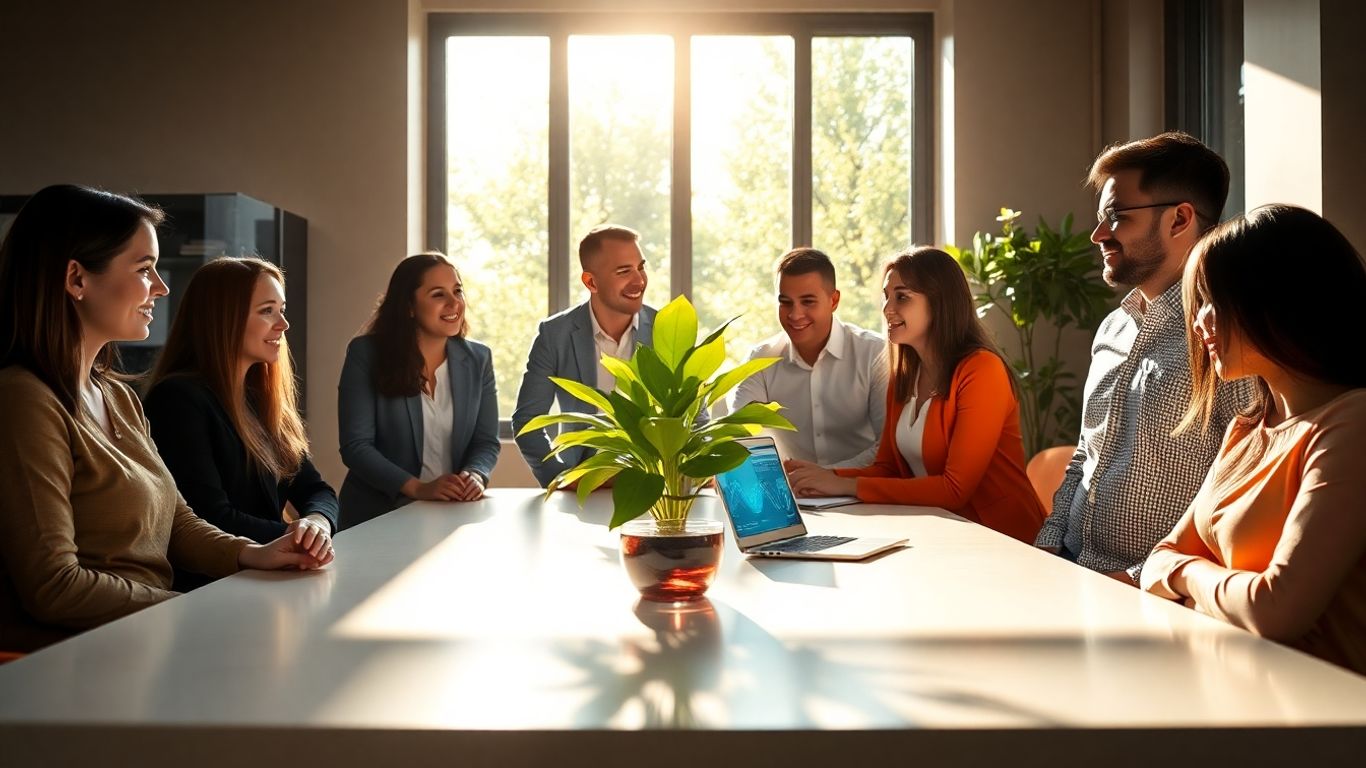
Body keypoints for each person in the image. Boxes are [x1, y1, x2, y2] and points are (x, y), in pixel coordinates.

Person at [0, 185, 331, 653]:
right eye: (144, 269)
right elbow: (55, 587)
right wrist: (193, 610)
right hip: (75, 657)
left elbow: (177, 520)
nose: (161, 286)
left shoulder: (117, 396)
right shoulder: (25, 399)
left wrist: (252, 553)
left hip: (145, 638)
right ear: (76, 279)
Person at [1141, 205, 1366, 674]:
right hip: (1237, 679)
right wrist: (1205, 583)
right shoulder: (1245, 431)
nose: (1199, 322)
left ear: (1280, 299)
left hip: (1324, 706)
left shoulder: (1353, 424)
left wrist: (1188, 575)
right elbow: (1156, 561)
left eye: (1214, 300)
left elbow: (1274, 611)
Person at [1033, 131, 1253, 583]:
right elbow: (1087, 452)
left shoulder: (1227, 338)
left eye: (1116, 217)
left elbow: (1240, 489)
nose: (1098, 235)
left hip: (1153, 594)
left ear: (1179, 219)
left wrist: (1138, 578)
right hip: (1071, 569)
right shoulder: (1111, 329)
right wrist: (1049, 542)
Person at [785, 248, 1045, 543]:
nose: (887, 309)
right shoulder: (905, 375)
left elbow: (955, 490)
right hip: (943, 535)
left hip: (1005, 540)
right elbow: (889, 469)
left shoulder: (982, 370)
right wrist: (822, 478)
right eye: (886, 296)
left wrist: (845, 485)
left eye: (902, 297)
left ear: (939, 302)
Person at [144, 257, 337, 589]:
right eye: (267, 311)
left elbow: (316, 489)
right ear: (224, 319)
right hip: (212, 587)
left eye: (281, 309)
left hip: (265, 577)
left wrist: (317, 525)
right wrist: (296, 537)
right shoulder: (177, 399)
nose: (283, 324)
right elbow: (209, 516)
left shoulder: (261, 399)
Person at [337, 252, 499, 529]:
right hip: (377, 517)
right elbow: (356, 446)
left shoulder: (478, 359)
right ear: (409, 306)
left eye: (457, 291)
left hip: (452, 515)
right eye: (438, 294)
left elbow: (485, 441)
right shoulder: (366, 354)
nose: (454, 303)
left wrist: (475, 474)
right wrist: (418, 488)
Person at [513, 225, 656, 488]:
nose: (639, 281)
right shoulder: (554, 334)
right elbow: (527, 421)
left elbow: (695, 418)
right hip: (582, 486)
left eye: (641, 267)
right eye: (624, 271)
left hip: (655, 486)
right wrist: (560, 479)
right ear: (591, 282)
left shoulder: (664, 328)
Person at [726, 247, 886, 468]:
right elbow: (739, 438)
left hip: (861, 487)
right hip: (790, 487)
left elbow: (887, 448)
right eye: (785, 302)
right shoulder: (761, 360)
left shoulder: (875, 353)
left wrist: (827, 476)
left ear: (834, 300)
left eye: (808, 301)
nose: (795, 314)